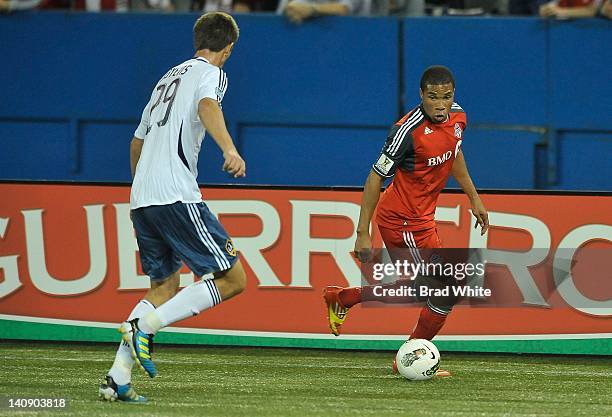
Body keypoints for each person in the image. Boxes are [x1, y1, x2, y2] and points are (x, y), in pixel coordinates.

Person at [98, 12, 247, 403]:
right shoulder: (211, 73)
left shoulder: (167, 77)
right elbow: (207, 107)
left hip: (142, 197)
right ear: (228, 48)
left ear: (197, 39)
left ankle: (117, 377)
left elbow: (136, 141)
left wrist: (141, 190)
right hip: (175, 194)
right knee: (234, 280)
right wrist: (229, 149)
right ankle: (145, 328)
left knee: (164, 286)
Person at [323, 65, 489, 375]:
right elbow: (374, 178)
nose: (440, 105)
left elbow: (453, 153)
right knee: (446, 286)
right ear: (421, 95)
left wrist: (474, 197)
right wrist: (362, 232)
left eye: (447, 97)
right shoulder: (406, 131)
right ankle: (408, 359)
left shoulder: (459, 117)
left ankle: (343, 298)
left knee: (429, 285)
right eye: (433, 98)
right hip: (402, 220)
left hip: (422, 218)